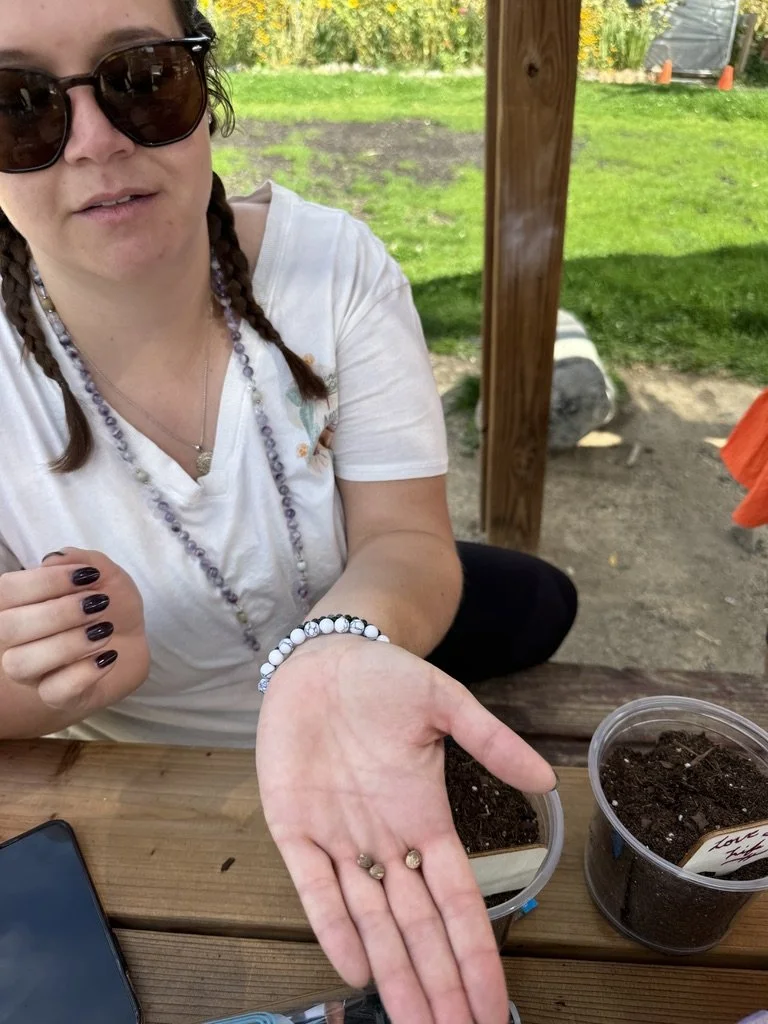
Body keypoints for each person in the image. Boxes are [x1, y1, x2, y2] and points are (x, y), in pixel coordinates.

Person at [0, 2, 577, 1021]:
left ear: (204, 93)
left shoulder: (336, 272)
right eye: (16, 107)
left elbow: (405, 537)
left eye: (140, 77)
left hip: (352, 717)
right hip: (158, 789)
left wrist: (337, 646)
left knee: (540, 599)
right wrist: (39, 689)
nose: (94, 141)